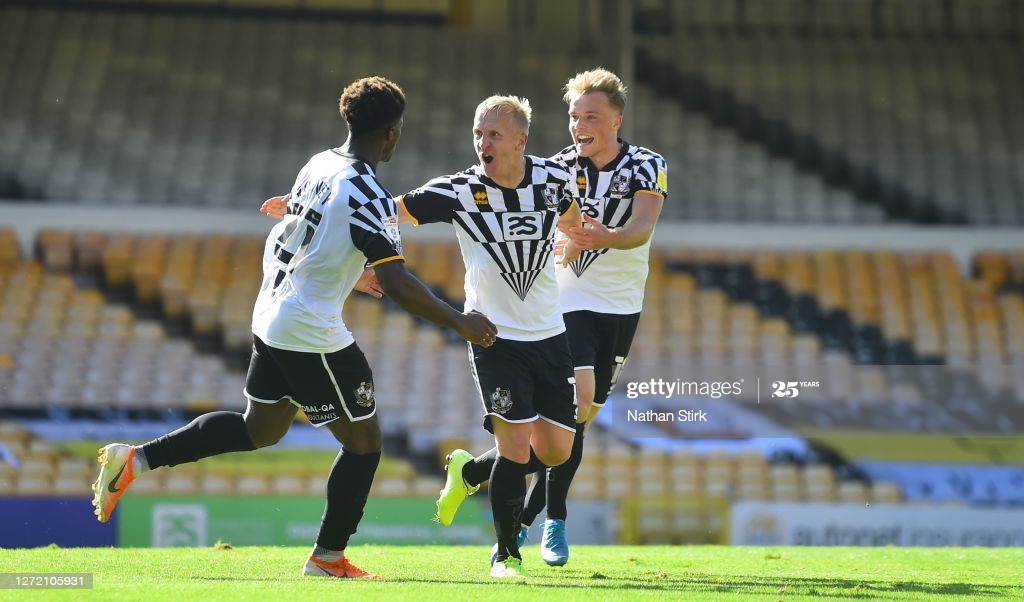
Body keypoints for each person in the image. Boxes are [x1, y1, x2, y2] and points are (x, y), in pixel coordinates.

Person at [90, 76, 498, 580]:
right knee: (365, 444)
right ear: (392, 133)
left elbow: (316, 234)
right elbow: (397, 280)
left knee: (257, 429)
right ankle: (327, 559)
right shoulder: (369, 193)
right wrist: (460, 320)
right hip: (310, 329)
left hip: (272, 313)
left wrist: (355, 273)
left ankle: (135, 460)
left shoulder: (319, 163)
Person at [261, 94, 583, 578]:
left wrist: (572, 249)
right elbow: (383, 210)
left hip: (550, 334)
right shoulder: (459, 190)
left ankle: (470, 471)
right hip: (495, 337)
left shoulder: (555, 179)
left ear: (522, 141)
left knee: (558, 449)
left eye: (493, 134)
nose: (482, 142)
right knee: (516, 449)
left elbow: (572, 220)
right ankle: (505, 555)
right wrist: (314, 206)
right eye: (478, 133)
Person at [437, 68, 668, 568]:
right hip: (564, 305)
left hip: (621, 307)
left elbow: (642, 229)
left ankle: (475, 475)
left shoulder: (647, 165)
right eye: (573, 116)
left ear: (615, 120)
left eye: (591, 116)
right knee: (579, 399)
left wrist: (593, 235)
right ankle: (550, 524)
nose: (579, 125)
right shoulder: (556, 168)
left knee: (567, 433)